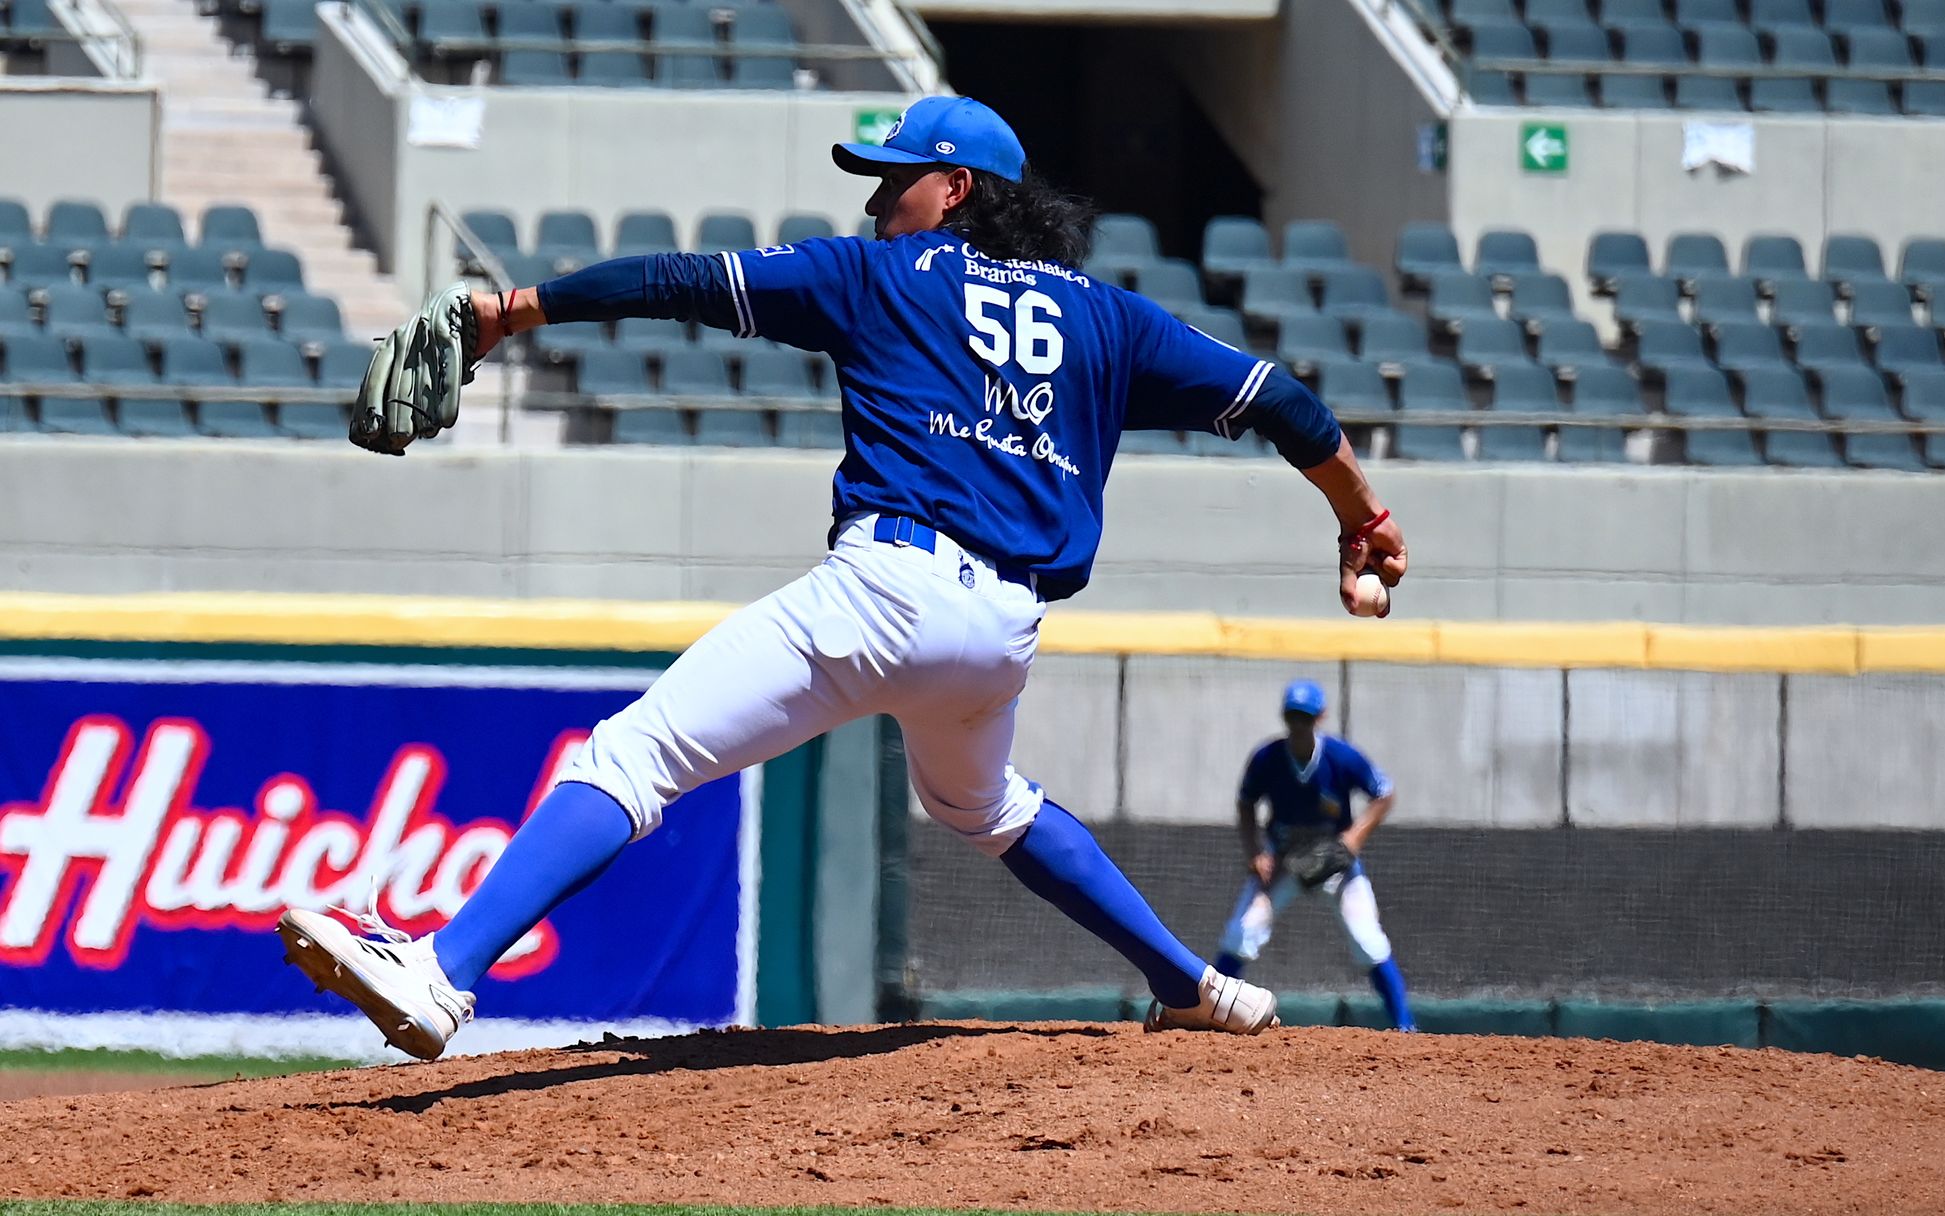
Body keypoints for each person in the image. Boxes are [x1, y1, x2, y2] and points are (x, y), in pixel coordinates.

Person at [275, 95, 1410, 1059]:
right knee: (985, 803)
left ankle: (442, 968)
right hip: (1000, 633)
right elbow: (1283, 403)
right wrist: (1359, 518)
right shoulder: (1108, 320)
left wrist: (511, 309)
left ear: (955, 188)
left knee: (634, 753)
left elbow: (676, 278)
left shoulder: (880, 277)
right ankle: (1194, 986)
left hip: (885, 589)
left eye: (895, 180)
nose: (876, 201)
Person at [1211, 679, 1415, 1031]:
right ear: (1285, 717)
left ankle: (1406, 1026)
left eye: (1305, 717)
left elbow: (1385, 794)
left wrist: (1353, 838)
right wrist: (1256, 851)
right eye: (1293, 716)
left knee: (1368, 939)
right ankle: (1211, 1016)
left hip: (1334, 862)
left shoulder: (1340, 757)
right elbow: (1246, 804)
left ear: (1320, 717)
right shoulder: (1268, 758)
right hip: (1284, 861)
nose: (1299, 724)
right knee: (1242, 933)